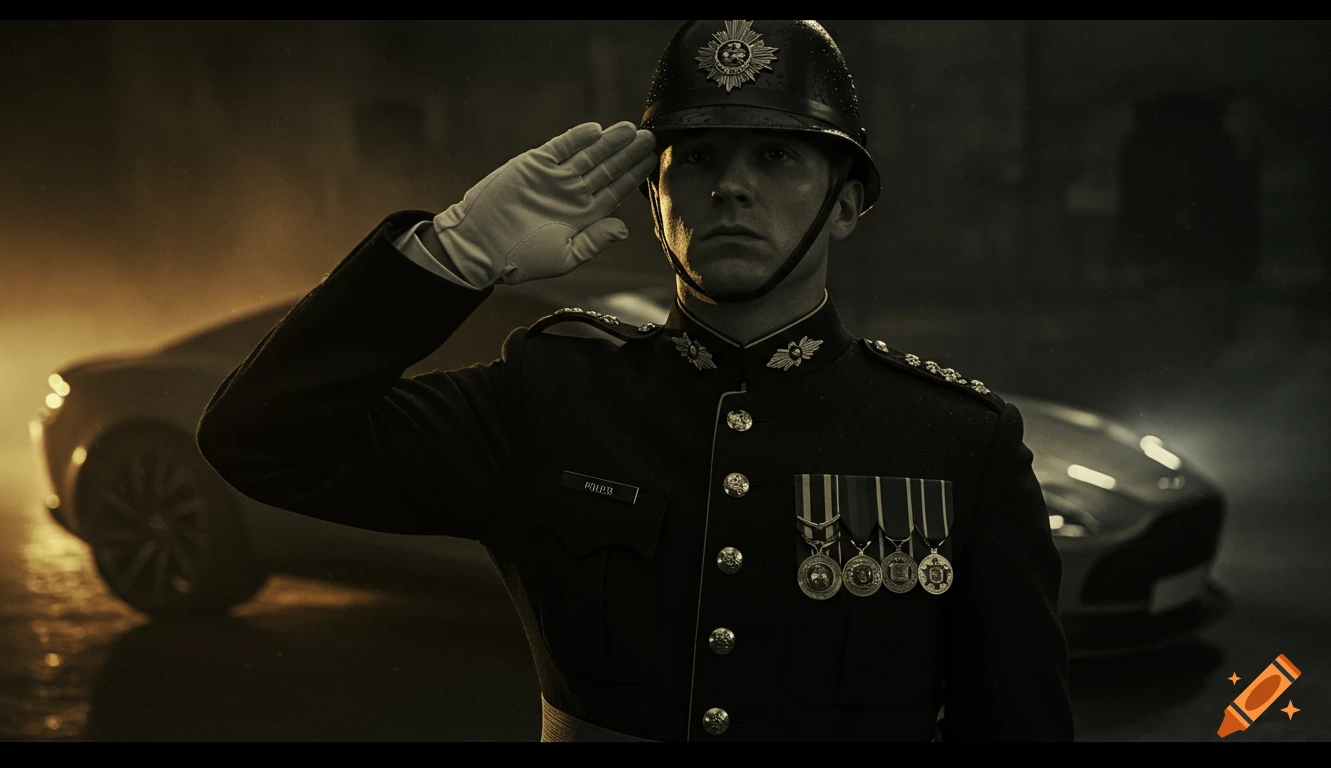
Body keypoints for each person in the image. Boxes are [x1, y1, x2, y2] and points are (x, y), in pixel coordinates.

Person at [195, 19, 1074, 742]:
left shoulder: (956, 442)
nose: (731, 187)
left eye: (776, 158)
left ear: (845, 204)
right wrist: (450, 255)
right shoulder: (550, 398)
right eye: (695, 159)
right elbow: (262, 441)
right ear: (653, 203)